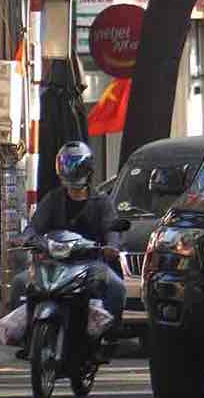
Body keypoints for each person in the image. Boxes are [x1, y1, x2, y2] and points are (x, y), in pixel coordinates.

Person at [16, 142, 125, 341]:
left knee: (117, 287)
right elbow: (35, 225)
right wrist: (27, 238)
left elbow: (111, 229)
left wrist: (112, 246)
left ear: (88, 169)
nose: (72, 171)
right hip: (54, 262)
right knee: (21, 282)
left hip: (90, 262)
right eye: (68, 165)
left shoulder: (101, 201)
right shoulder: (52, 199)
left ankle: (108, 335)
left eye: (77, 166)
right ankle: (27, 337)